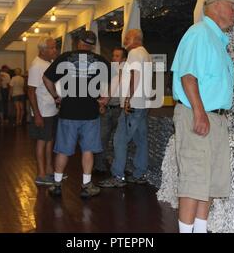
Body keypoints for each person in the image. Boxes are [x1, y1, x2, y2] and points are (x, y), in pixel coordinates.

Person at [170, 0, 234, 233]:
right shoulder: (200, 33)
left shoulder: (217, 40)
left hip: (214, 117)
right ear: (217, 6)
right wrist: (200, 114)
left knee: (208, 182)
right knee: (194, 180)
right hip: (199, 115)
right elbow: (188, 77)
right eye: (232, 7)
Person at [43, 30, 110, 198]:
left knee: (63, 150)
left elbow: (46, 78)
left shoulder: (65, 58)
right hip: (90, 113)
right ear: (93, 45)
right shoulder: (100, 60)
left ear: (79, 42)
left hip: (68, 111)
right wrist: (105, 99)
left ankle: (57, 185)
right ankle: (86, 186)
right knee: (88, 150)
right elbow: (113, 79)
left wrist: (56, 97)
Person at [99, 29, 152, 188]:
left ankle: (118, 176)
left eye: (127, 38)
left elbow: (134, 77)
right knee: (141, 140)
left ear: (135, 39)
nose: (124, 41)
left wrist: (128, 99)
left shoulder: (135, 53)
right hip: (142, 105)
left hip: (133, 105)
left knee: (119, 140)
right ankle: (139, 173)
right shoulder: (146, 54)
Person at [27, 37, 59, 185]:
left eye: (55, 47)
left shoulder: (48, 63)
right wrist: (37, 115)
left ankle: (49, 170)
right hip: (43, 111)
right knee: (42, 141)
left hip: (51, 110)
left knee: (49, 141)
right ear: (42, 50)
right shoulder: (36, 66)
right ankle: (40, 174)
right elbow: (31, 91)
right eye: (52, 48)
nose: (55, 50)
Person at [93, 47, 127, 173]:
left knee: (117, 139)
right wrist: (102, 105)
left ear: (123, 59)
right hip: (107, 108)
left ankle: (113, 163)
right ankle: (99, 166)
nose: (114, 58)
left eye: (117, 56)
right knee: (103, 137)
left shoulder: (126, 71)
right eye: (113, 55)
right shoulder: (107, 70)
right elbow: (102, 86)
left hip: (120, 108)